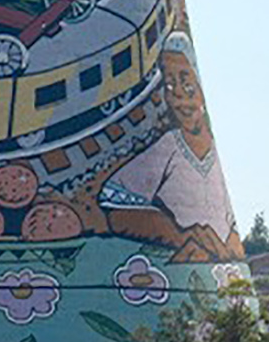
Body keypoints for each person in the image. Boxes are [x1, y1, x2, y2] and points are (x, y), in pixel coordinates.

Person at [94, 35, 240, 262]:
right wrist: (178, 237)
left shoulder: (209, 158)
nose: (180, 94)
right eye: (170, 86)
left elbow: (226, 223)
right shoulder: (168, 147)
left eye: (187, 83)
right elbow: (114, 203)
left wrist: (226, 249)